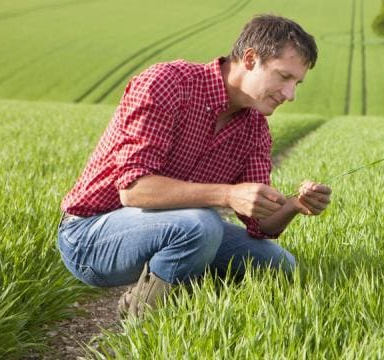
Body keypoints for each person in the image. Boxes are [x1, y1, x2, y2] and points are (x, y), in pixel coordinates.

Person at [56, 14, 331, 318]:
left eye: (297, 83)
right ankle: (143, 318)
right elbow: (134, 190)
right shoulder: (166, 84)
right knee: (202, 225)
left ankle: (195, 305)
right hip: (91, 236)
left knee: (278, 264)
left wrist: (293, 205)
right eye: (284, 77)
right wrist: (228, 194)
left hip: (175, 227)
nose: (290, 95)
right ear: (251, 59)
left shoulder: (255, 129)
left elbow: (260, 225)